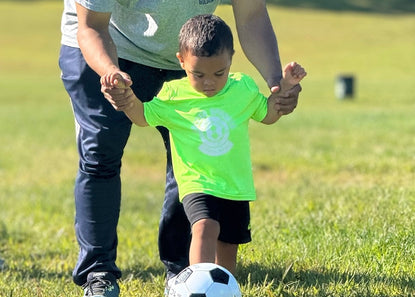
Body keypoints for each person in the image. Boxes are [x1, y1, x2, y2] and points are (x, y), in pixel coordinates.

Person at [59, 0, 302, 296]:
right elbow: (92, 26)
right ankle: (98, 272)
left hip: (193, 59)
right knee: (100, 155)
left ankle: (183, 271)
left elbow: (251, 16)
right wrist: (112, 74)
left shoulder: (223, 80)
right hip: (109, 45)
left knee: (192, 160)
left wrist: (278, 83)